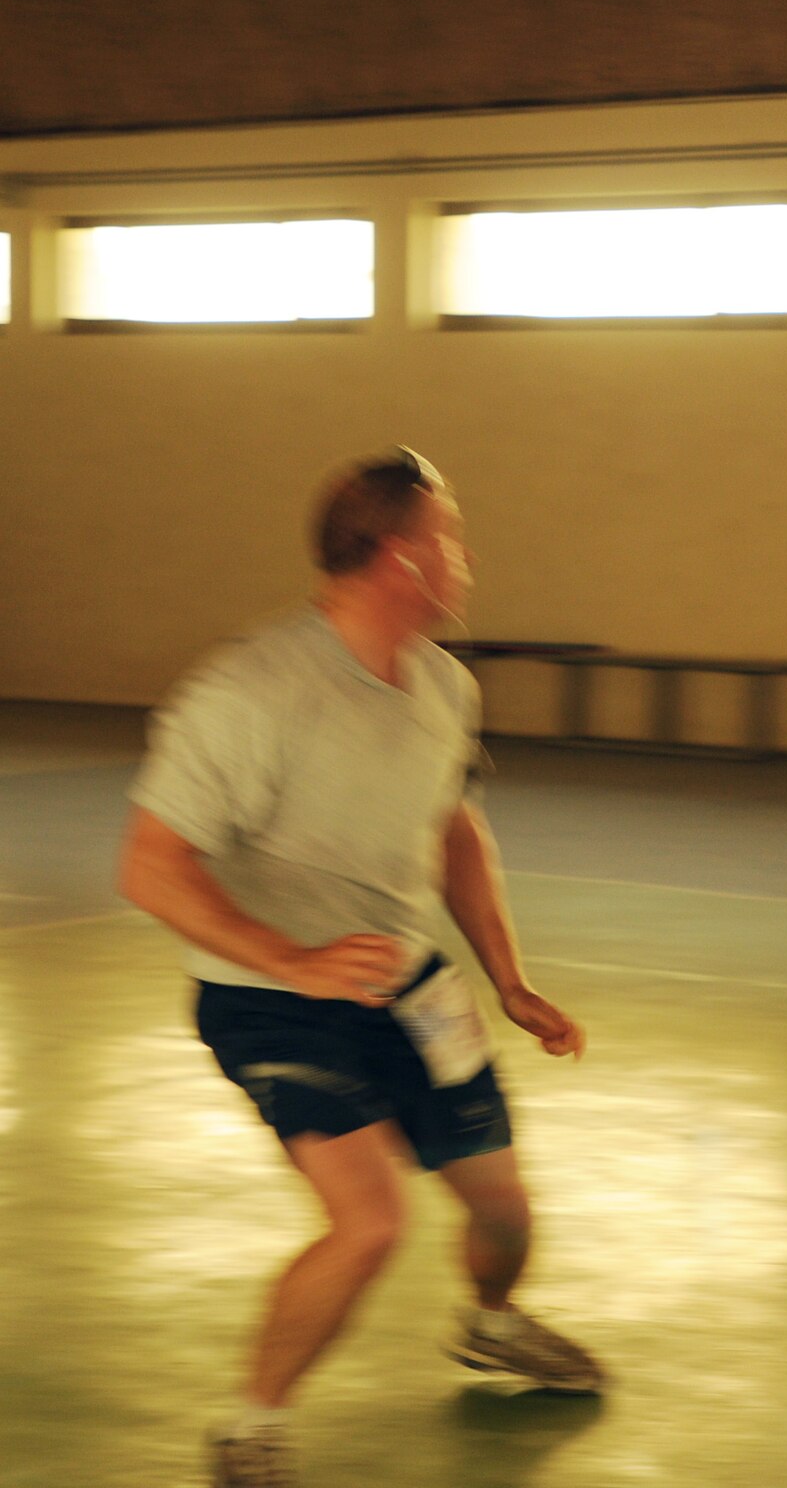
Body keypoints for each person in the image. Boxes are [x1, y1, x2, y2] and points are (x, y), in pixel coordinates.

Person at [118, 448, 603, 1488]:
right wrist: (292, 959)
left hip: (409, 985)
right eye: (452, 536)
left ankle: (490, 1321)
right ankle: (252, 1425)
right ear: (400, 555)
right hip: (272, 996)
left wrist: (506, 976)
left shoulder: (441, 683)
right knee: (371, 1218)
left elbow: (454, 829)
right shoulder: (247, 690)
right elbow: (151, 868)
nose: (466, 558)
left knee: (503, 1207)